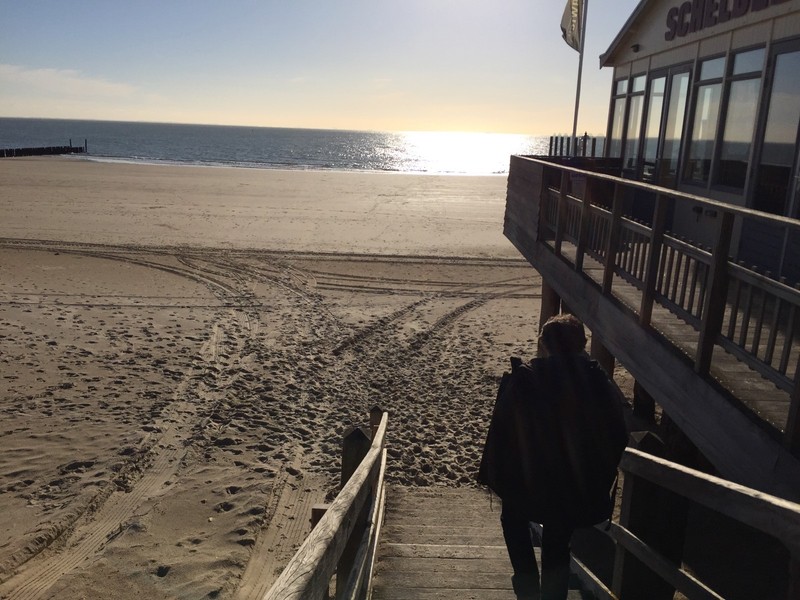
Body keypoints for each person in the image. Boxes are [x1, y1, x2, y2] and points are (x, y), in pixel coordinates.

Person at [477, 314, 628, 600]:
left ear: (545, 345)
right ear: (582, 344)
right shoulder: (598, 382)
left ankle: (527, 587)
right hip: (576, 487)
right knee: (558, 540)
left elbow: (503, 433)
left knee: (512, 519)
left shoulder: (526, 378)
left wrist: (502, 479)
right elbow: (617, 435)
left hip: (529, 485)